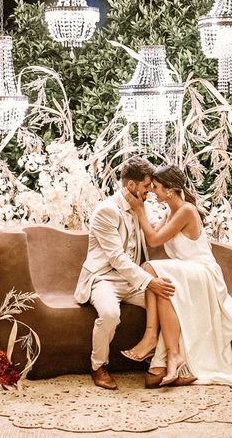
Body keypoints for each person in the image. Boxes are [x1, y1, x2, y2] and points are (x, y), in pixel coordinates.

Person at [121, 164, 232, 387]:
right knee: (162, 285)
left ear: (169, 190)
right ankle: (173, 355)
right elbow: (152, 233)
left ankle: (150, 337)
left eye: (155, 187)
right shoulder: (170, 211)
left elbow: (154, 240)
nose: (152, 191)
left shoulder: (186, 210)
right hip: (187, 273)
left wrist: (140, 211)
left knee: (150, 269)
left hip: (203, 272)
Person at [74, 156, 177, 390]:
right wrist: (150, 280)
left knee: (169, 303)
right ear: (131, 185)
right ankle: (98, 366)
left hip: (131, 281)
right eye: (147, 185)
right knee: (110, 313)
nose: (150, 191)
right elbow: (117, 259)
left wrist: (175, 215)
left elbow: (152, 235)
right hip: (104, 278)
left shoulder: (139, 207)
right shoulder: (106, 211)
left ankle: (159, 363)